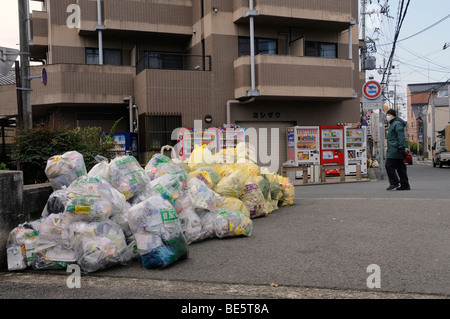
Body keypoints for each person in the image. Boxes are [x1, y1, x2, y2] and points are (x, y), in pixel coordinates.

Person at [385, 109, 411, 190]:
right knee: (400, 167)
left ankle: (394, 183)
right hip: (396, 149)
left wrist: (401, 148)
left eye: (388, 115)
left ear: (393, 115)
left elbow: (401, 137)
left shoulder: (396, 124)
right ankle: (404, 184)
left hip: (395, 149)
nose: (387, 117)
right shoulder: (394, 124)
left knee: (389, 165)